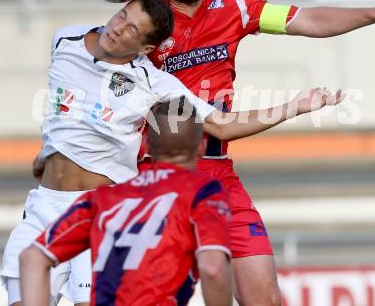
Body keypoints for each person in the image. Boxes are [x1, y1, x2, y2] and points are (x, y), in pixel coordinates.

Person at [1, 0, 342, 306]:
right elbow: (66, 109)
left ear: (145, 49)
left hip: (98, 212)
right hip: (44, 203)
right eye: (122, 15)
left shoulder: (153, 82)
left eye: (132, 29)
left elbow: (221, 124)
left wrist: (294, 106)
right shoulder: (66, 39)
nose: (117, 27)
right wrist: (49, 150)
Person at [139, 0, 375, 306]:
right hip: (161, 177)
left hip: (219, 175)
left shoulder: (232, 6)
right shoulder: (146, 21)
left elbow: (306, 20)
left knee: (267, 300)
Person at [19, 97, 234, 306]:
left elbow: (33, 256)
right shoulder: (203, 192)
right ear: (202, 147)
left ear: (147, 145)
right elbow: (212, 269)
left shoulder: (103, 198)